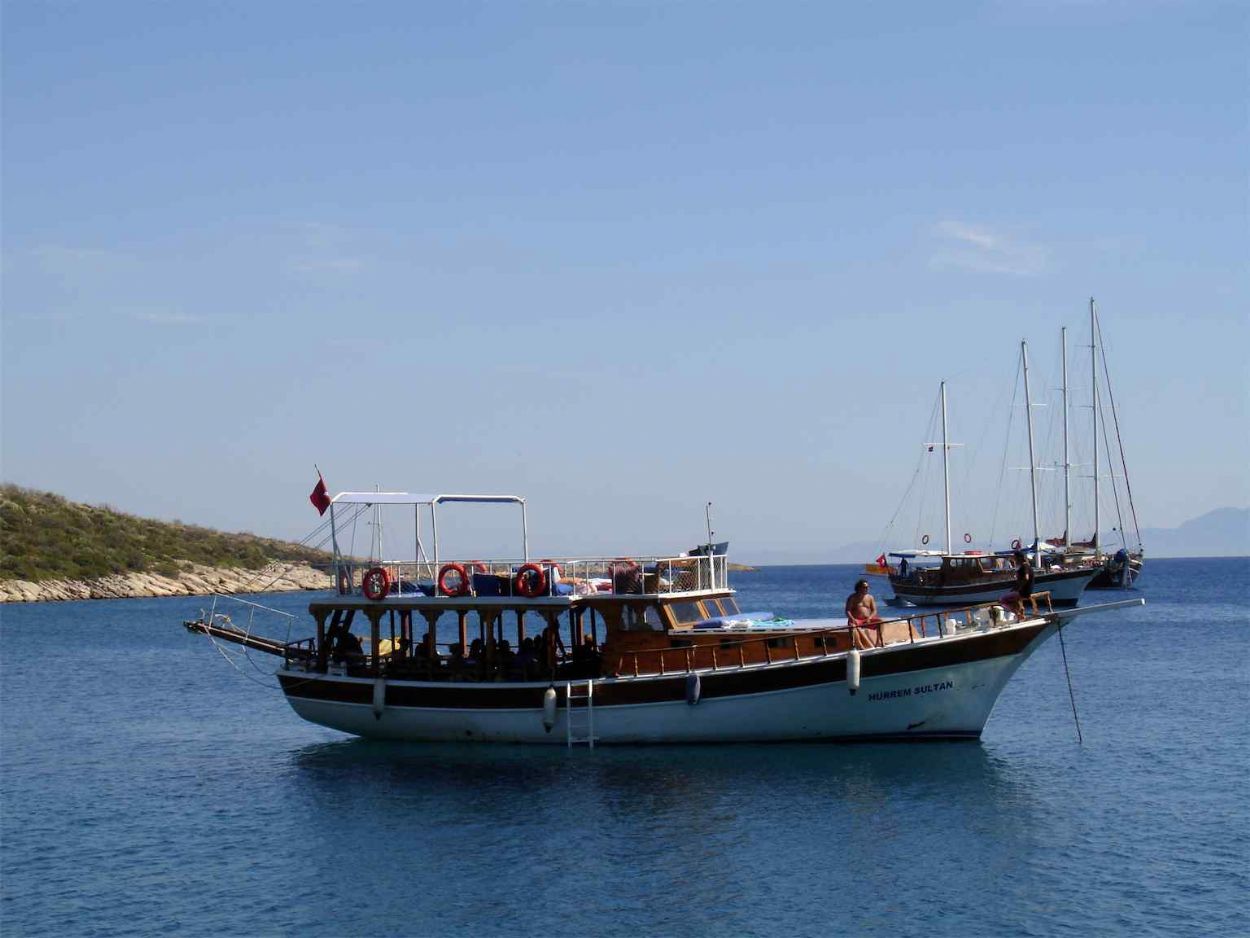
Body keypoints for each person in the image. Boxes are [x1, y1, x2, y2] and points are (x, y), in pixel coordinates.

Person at [999, 550, 1034, 616]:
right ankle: (1019, 612)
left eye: (1015, 558)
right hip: (1027, 591)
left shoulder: (1024, 567)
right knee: (1011, 598)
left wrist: (1018, 588)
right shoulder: (1027, 566)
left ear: (1019, 558)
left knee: (1002, 599)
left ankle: (1017, 614)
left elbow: (1026, 578)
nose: (1014, 560)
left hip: (1023, 592)